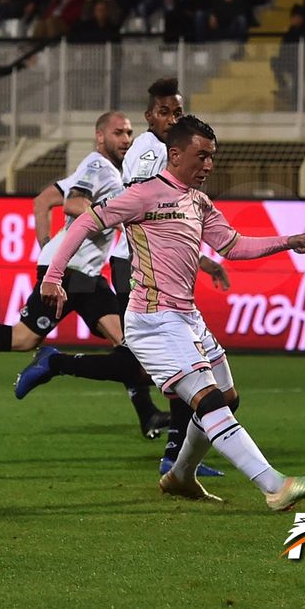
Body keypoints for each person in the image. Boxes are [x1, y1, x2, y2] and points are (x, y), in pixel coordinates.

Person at [38, 114, 305, 508]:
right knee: (207, 400)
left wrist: (288, 241)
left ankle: (180, 476)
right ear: (175, 155)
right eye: (201, 156)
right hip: (153, 320)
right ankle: (275, 486)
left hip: (188, 317)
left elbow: (232, 246)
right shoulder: (142, 194)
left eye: (212, 157)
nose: (208, 165)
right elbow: (84, 223)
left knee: (226, 398)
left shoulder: (198, 202)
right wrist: (53, 276)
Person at [16, 77, 229, 477]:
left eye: (177, 111)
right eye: (165, 111)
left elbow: (170, 220)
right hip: (136, 263)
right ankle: (58, 364)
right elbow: (147, 215)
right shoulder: (151, 152)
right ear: (151, 115)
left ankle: (173, 453)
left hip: (149, 262)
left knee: (160, 364)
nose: (172, 118)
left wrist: (200, 259)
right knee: (177, 362)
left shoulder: (169, 151)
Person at [0, 111, 170, 435]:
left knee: (128, 345)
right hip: (71, 272)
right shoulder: (97, 167)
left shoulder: (102, 169)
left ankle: (146, 412)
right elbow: (73, 203)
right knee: (25, 338)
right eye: (118, 132)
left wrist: (49, 246)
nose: (126, 139)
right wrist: (117, 216)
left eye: (128, 133)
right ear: (100, 136)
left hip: (84, 274)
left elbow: (43, 200)